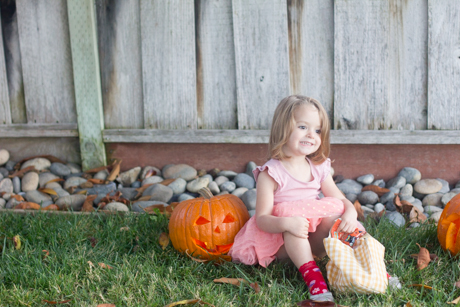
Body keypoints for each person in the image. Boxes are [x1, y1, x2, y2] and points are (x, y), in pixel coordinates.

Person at [228, 95, 365, 302]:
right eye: (303, 127)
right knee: (294, 225)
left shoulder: (319, 167)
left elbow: (340, 199)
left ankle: (369, 264)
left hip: (313, 239)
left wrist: (351, 213)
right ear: (283, 128)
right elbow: (262, 218)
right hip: (281, 244)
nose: (311, 135)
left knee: (336, 218)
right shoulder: (271, 173)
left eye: (317, 130)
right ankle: (313, 278)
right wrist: (287, 223)